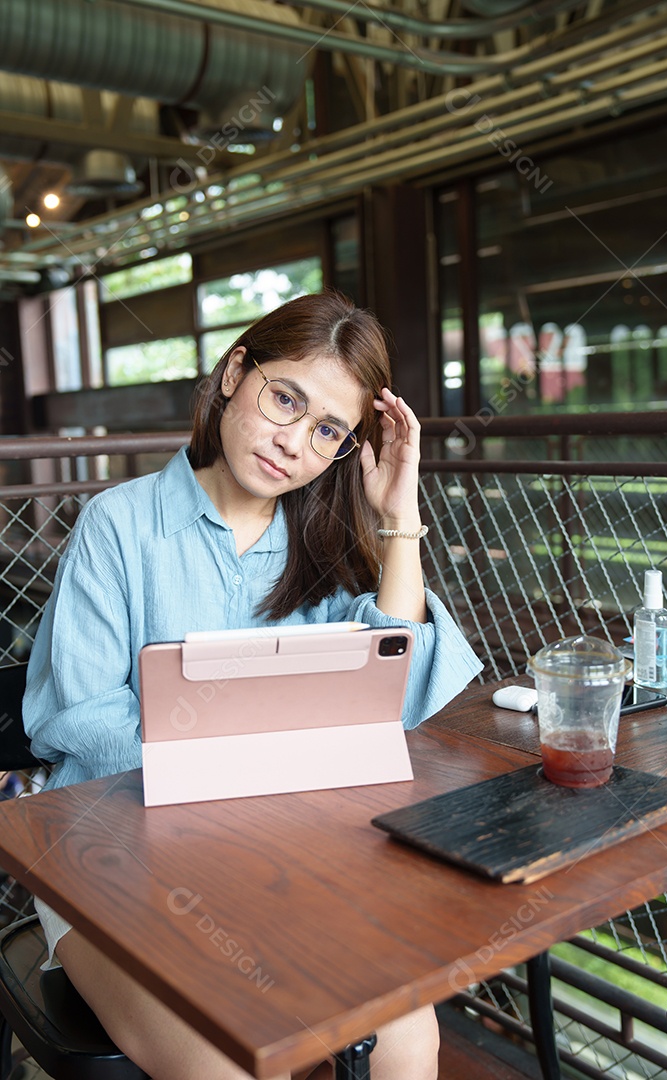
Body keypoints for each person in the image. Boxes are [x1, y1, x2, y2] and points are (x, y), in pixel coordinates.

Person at [23, 291, 482, 1080]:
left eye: (327, 430)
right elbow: (84, 722)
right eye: (285, 399)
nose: (293, 443)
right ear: (237, 372)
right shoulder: (118, 525)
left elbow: (392, 698)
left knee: (408, 1037)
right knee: (227, 1063)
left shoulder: (323, 543)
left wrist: (398, 516)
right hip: (109, 860)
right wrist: (249, 760)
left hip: (282, 858)